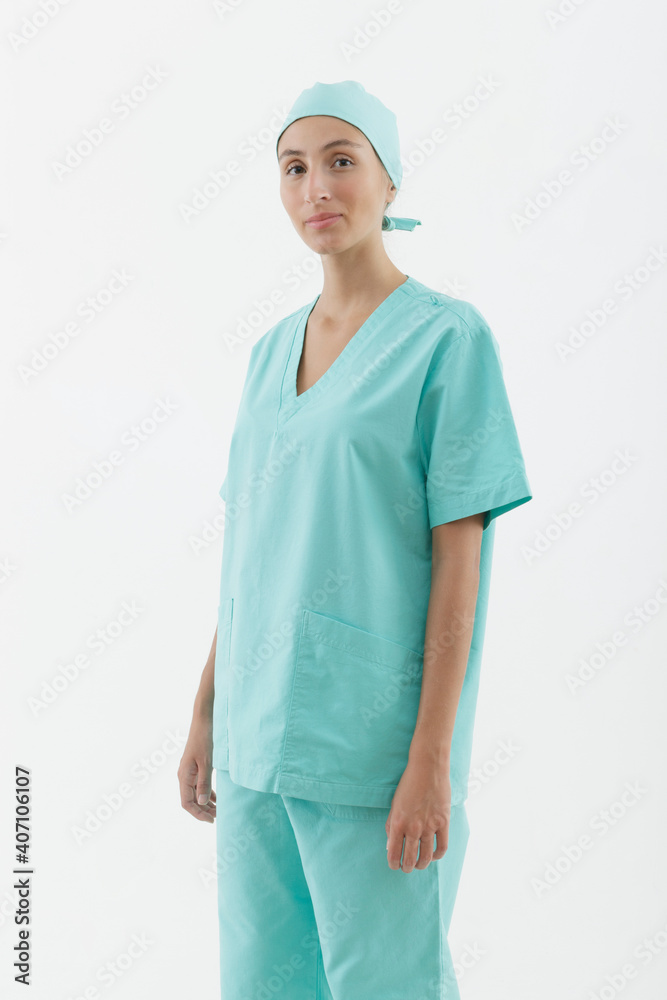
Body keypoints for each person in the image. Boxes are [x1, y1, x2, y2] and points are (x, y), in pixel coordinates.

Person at [178, 79, 533, 1000]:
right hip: (254, 743)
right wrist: (207, 710)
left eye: (341, 161)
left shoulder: (446, 341)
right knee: (261, 984)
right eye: (293, 168)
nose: (316, 189)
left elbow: (459, 563)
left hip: (369, 750)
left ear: (389, 180)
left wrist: (431, 760)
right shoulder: (269, 353)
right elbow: (250, 549)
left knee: (388, 985)